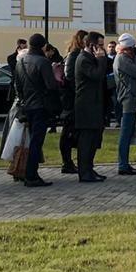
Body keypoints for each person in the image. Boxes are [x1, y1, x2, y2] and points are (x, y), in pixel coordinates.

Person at [15, 33, 59, 188]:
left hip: (27, 105)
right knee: (36, 142)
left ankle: (27, 173)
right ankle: (31, 175)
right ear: (42, 46)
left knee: (31, 140)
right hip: (40, 106)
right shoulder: (43, 62)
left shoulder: (21, 61)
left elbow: (18, 85)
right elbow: (51, 85)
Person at [73, 32, 108, 183]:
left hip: (94, 103)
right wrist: (101, 59)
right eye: (100, 45)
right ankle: (84, 171)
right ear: (91, 45)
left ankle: (89, 168)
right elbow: (97, 75)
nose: (103, 48)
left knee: (93, 139)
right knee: (86, 140)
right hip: (86, 105)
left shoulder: (91, 58)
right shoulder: (83, 59)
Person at [114, 33, 136, 175]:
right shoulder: (122, 59)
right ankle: (123, 164)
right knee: (126, 132)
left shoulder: (123, 57)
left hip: (129, 97)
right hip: (128, 98)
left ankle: (124, 163)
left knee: (127, 131)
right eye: (132, 48)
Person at [58, 30, 87, 175]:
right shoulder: (74, 55)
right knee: (68, 131)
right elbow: (70, 77)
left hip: (73, 98)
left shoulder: (76, 54)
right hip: (71, 99)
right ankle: (67, 162)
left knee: (71, 131)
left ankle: (69, 161)